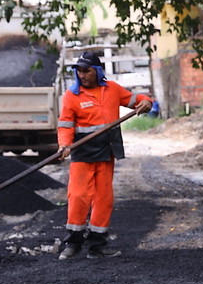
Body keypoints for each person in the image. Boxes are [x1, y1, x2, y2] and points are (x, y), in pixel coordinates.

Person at [56, 51, 153, 260]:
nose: (82, 75)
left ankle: (97, 245)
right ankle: (73, 243)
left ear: (97, 71)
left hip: (106, 152)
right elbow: (65, 124)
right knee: (79, 197)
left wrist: (147, 102)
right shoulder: (72, 96)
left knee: (103, 198)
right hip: (83, 154)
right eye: (79, 71)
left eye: (86, 71)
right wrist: (64, 145)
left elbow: (138, 100)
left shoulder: (112, 90)